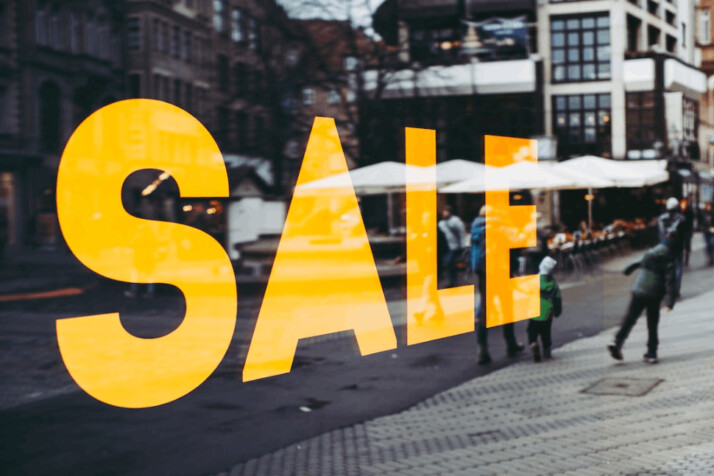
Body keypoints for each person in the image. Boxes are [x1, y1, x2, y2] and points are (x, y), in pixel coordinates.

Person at [607, 231, 677, 364]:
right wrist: (670, 302)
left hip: (639, 289)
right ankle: (651, 353)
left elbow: (636, 262)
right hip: (654, 293)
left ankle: (617, 341)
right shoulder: (669, 258)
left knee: (630, 317)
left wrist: (627, 270)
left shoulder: (651, 252)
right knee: (652, 323)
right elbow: (670, 282)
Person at [470, 205, 525, 365]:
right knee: (507, 309)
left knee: (485, 313)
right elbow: (514, 248)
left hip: (484, 274)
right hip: (501, 272)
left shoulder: (476, 228)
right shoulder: (500, 227)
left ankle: (482, 350)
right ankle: (511, 344)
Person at [528, 257, 562, 362]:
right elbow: (557, 297)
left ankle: (533, 343)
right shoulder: (553, 283)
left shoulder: (534, 280)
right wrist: (557, 311)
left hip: (534, 311)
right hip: (547, 312)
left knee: (531, 330)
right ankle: (547, 351)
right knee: (546, 332)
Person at [657, 197, 684, 296]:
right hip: (677, 247)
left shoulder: (661, 218)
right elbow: (684, 234)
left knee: (666, 268)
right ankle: (675, 290)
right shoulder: (681, 218)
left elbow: (660, 233)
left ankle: (667, 289)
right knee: (677, 268)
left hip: (665, 246)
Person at [438, 205, 466, 287]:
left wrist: (462, 246)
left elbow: (461, 233)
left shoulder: (455, 221)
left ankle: (454, 282)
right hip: (445, 247)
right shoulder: (441, 223)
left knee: (450, 263)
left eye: (445, 211)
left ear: (449, 212)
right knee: (449, 264)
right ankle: (453, 281)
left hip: (454, 247)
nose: (444, 213)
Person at [680, 199, 695, 266]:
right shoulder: (679, 212)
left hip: (687, 231)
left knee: (687, 246)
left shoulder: (689, 212)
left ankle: (686, 259)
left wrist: (691, 231)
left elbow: (691, 222)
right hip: (681, 232)